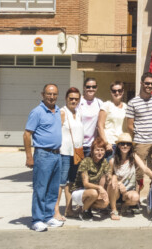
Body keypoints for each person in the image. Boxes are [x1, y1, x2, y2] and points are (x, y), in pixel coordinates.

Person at [24, 83, 64, 232]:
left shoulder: (58, 110)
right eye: (49, 94)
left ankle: (48, 216)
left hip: (56, 154)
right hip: (43, 154)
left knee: (53, 189)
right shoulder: (37, 112)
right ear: (43, 95)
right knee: (40, 188)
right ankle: (37, 219)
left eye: (54, 94)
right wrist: (29, 156)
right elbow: (27, 134)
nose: (52, 97)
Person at [126, 72, 152, 193]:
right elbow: (129, 125)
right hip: (140, 142)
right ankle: (136, 198)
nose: (150, 86)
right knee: (139, 172)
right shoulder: (133, 102)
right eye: (147, 83)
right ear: (141, 83)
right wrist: (141, 133)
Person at [108, 133, 152, 220]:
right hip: (116, 192)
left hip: (128, 192)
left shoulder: (133, 157)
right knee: (112, 182)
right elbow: (109, 176)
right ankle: (114, 210)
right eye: (122, 144)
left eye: (128, 144)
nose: (125, 146)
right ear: (118, 145)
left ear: (131, 146)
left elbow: (144, 168)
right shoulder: (113, 160)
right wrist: (118, 183)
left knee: (135, 197)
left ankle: (124, 206)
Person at [54, 87, 83, 221]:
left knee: (71, 182)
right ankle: (55, 211)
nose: (73, 101)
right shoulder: (62, 112)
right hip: (64, 152)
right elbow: (55, 132)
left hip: (76, 153)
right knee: (60, 183)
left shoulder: (78, 113)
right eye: (71, 98)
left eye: (76, 99)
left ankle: (69, 209)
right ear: (66, 98)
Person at [70, 137, 110, 221]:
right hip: (79, 191)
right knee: (94, 193)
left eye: (102, 150)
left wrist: (114, 180)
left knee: (105, 203)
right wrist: (100, 188)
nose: (100, 153)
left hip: (92, 192)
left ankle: (87, 207)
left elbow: (108, 175)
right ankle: (84, 211)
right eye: (97, 150)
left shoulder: (104, 162)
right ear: (92, 151)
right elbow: (85, 184)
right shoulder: (86, 161)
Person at [97, 81, 127, 160]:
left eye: (119, 90)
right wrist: (106, 143)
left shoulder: (126, 107)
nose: (117, 93)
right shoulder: (106, 105)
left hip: (122, 144)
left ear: (123, 91)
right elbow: (100, 126)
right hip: (110, 145)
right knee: (109, 171)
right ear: (111, 92)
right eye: (114, 91)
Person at [78, 78, 103, 157]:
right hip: (78, 145)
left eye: (93, 87)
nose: (91, 89)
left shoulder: (99, 103)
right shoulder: (78, 102)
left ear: (96, 88)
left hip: (91, 145)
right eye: (88, 87)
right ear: (84, 87)